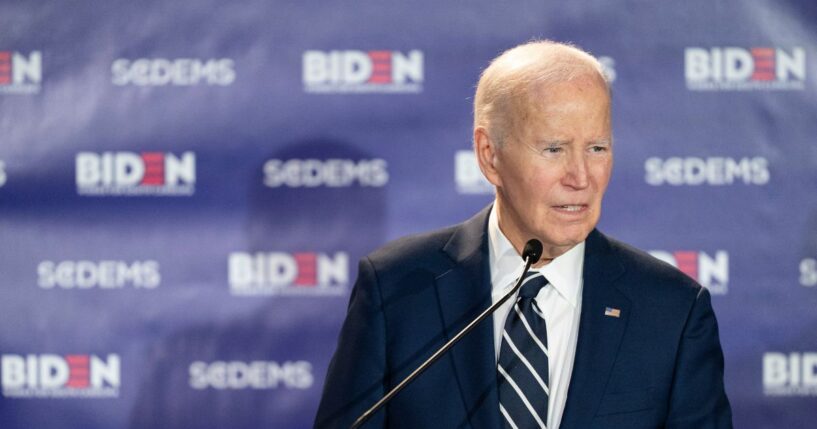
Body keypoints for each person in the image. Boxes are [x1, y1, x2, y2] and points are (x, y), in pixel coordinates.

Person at [314, 40, 732, 429]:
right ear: (489, 156)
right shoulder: (398, 288)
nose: (581, 177)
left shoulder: (672, 311)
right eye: (554, 149)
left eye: (597, 148)